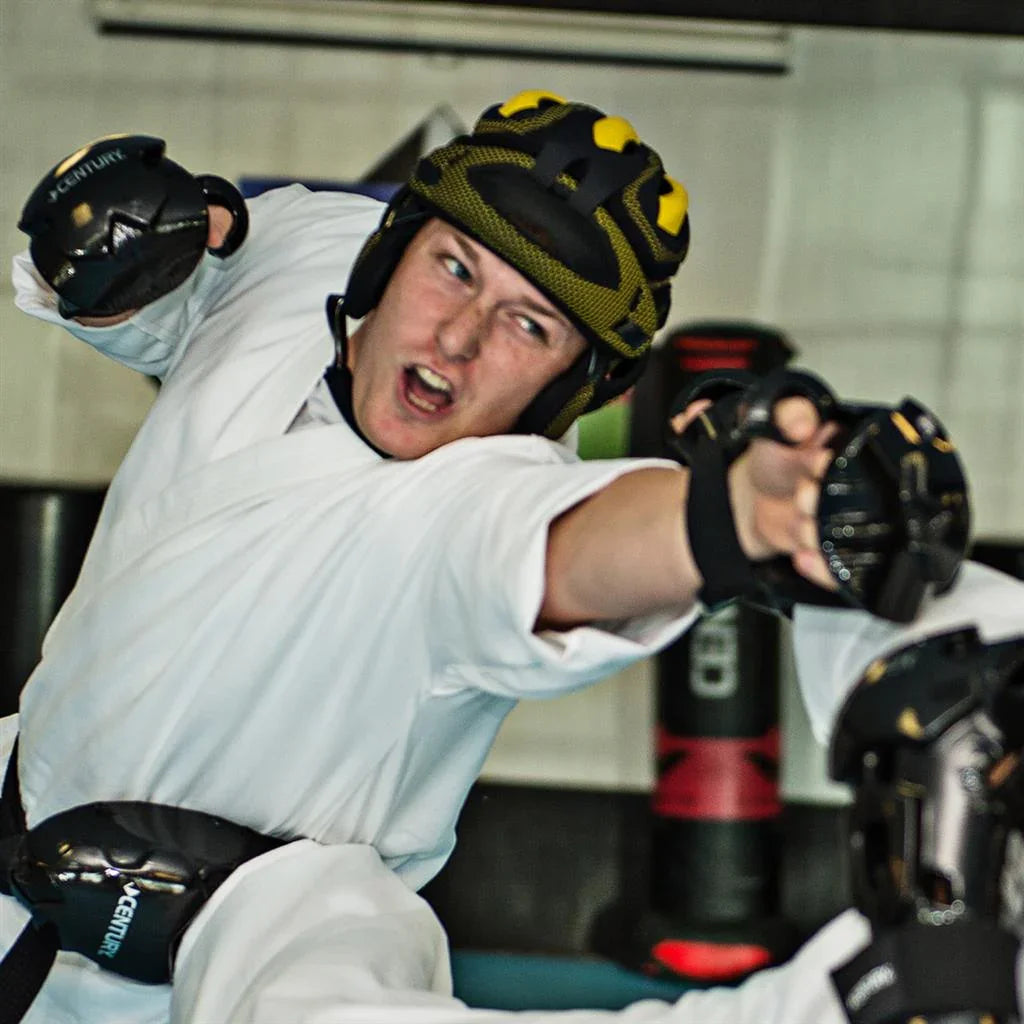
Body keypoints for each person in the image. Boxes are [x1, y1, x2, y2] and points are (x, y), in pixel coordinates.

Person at [0, 89, 989, 1022]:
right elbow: (186, 292)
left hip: (197, 979)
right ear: (390, 251)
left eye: (530, 324)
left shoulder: (473, 500)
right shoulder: (309, 255)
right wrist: (144, 240)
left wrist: (735, 519)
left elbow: (563, 548)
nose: (459, 337)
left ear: (572, 389)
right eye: (455, 268)